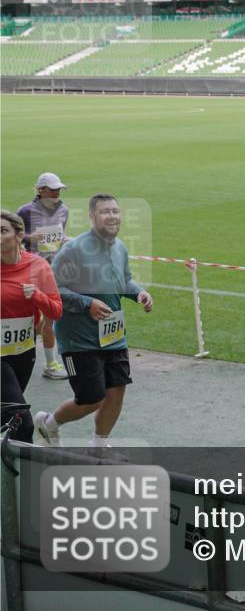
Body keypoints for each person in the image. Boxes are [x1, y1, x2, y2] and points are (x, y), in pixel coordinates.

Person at [33, 194, 153, 452]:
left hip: (113, 336)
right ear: (91, 216)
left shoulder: (119, 247)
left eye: (115, 211)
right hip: (79, 341)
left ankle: (98, 444)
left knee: (117, 391)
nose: (112, 216)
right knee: (91, 399)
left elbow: (124, 281)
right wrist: (88, 304)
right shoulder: (74, 250)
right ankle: (49, 424)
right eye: (105, 211)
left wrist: (139, 293)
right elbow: (53, 288)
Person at [1, 211, 62, 443]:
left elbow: (56, 310)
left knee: (7, 415)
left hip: (24, 352)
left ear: (19, 236)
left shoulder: (37, 266)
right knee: (22, 421)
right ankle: (25, 478)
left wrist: (36, 296)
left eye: (3, 231)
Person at [17, 172, 72, 380]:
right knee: (27, 317)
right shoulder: (25, 211)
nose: (56, 192)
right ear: (40, 190)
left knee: (51, 315)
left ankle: (50, 364)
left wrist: (65, 240)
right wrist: (31, 237)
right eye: (52, 189)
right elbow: (12, 235)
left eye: (58, 188)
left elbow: (58, 237)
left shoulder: (63, 210)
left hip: (53, 268)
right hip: (30, 270)